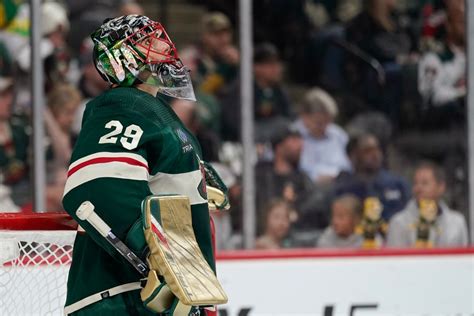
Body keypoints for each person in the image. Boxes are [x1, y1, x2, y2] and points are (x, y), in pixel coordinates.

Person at [62, 15, 226, 315]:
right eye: (149, 41)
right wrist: (161, 257)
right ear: (124, 60)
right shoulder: (125, 105)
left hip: (149, 300)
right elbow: (97, 188)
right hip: (124, 299)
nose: (164, 45)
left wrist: (193, 187)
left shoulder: (151, 111)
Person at [386, 161, 468, 248]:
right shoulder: (399, 222)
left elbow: (464, 259)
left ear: (441, 187)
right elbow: (395, 260)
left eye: (424, 183)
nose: (418, 188)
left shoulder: (457, 222)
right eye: (415, 183)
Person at [255, 123, 316, 232]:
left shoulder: (302, 179)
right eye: (294, 140)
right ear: (279, 146)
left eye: (300, 140)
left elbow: (309, 208)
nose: (300, 145)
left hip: (294, 236)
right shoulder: (260, 174)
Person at [335, 133, 410, 221]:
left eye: (377, 149)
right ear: (353, 156)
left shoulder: (398, 183)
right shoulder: (343, 188)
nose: (375, 154)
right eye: (367, 151)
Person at [294, 87, 351, 183]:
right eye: (319, 123)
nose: (325, 127)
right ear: (304, 116)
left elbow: (349, 166)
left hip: (340, 184)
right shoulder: (292, 136)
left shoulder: (338, 135)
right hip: (307, 187)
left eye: (328, 122)